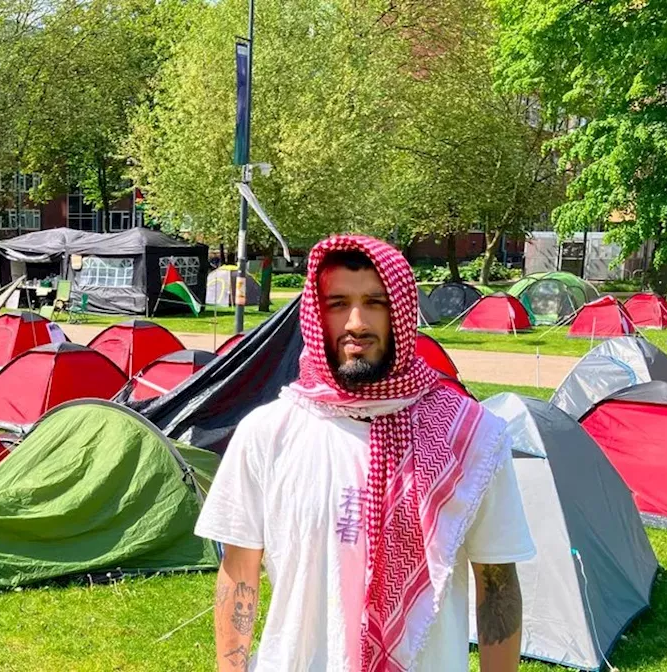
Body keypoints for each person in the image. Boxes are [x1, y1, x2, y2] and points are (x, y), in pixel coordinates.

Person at [195, 235, 533, 672]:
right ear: (317, 314)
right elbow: (239, 573)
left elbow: (498, 586)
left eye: (375, 302)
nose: (356, 322)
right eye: (338, 303)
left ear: (401, 313)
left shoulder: (470, 438)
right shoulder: (266, 433)